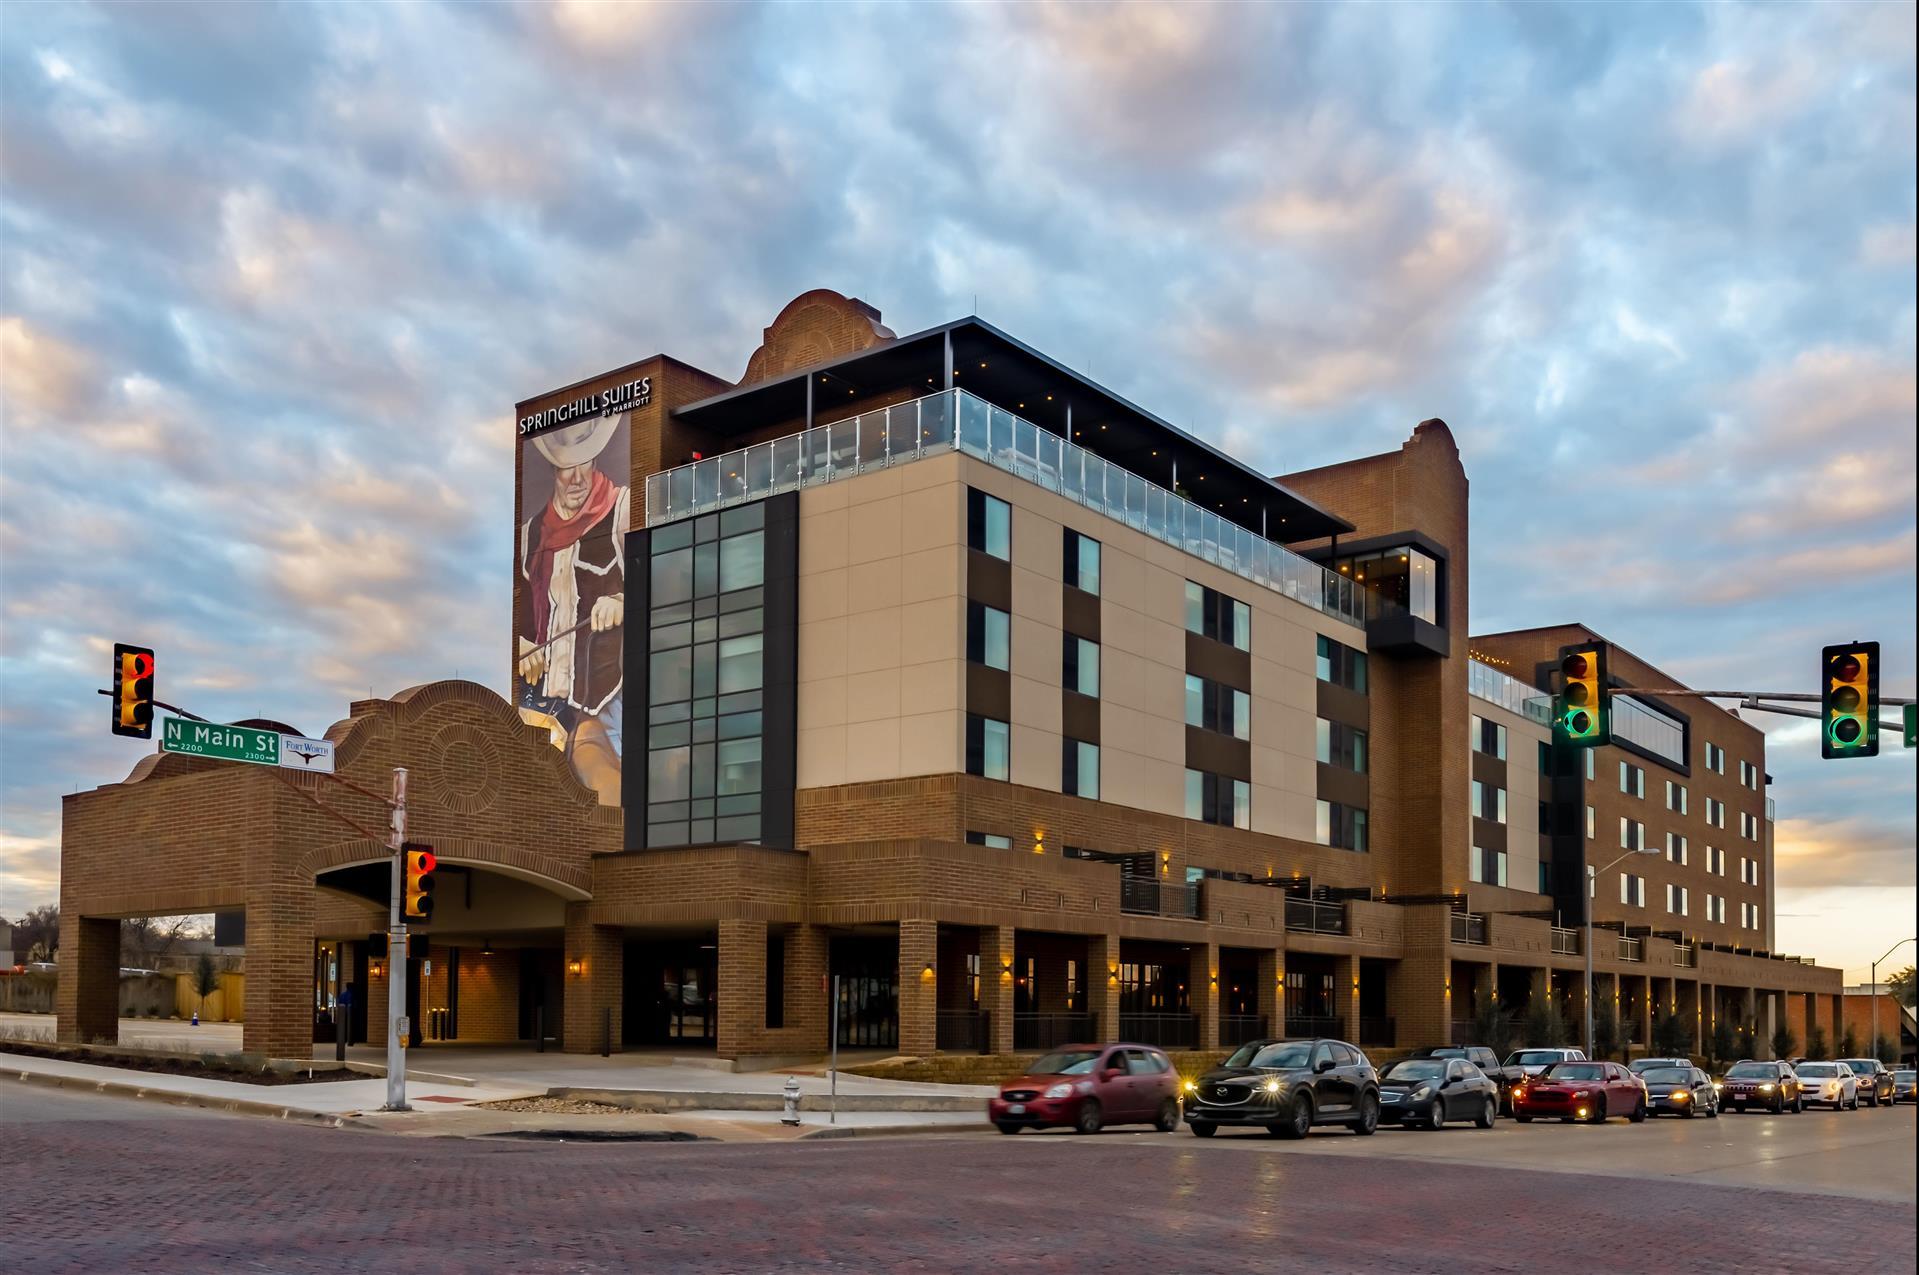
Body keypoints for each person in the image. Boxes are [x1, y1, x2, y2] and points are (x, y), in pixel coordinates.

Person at [517, 414, 628, 804]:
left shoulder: (623, 509)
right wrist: (521, 645)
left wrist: (624, 601)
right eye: (568, 467)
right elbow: (528, 618)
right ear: (553, 469)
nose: (578, 478)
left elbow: (662, 584)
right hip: (546, 700)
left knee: (597, 766)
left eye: (587, 461)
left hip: (607, 694)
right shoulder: (532, 532)